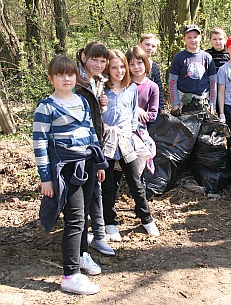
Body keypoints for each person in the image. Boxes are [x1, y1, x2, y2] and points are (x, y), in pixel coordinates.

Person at [34, 55, 107, 295]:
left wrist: (98, 164)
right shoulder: (46, 107)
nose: (66, 79)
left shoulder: (82, 101)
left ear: (76, 77)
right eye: (60, 75)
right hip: (65, 170)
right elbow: (40, 145)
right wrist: (46, 178)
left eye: (70, 74)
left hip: (87, 164)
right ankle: (70, 274)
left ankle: (83, 254)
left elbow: (91, 134)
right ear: (51, 78)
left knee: (84, 214)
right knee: (74, 219)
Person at [101, 50, 160, 242]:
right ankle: (110, 223)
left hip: (127, 141)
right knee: (110, 185)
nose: (119, 71)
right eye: (114, 67)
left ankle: (146, 218)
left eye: (122, 67)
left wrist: (134, 134)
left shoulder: (131, 88)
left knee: (136, 182)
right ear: (108, 70)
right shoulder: (102, 91)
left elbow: (134, 115)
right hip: (109, 142)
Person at [75, 42, 114, 256]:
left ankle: (98, 236)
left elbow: (95, 115)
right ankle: (81, 247)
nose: (98, 64)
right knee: (82, 198)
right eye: (94, 60)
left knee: (96, 191)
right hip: (78, 147)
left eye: (102, 61)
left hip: (95, 144)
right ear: (83, 56)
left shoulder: (97, 82)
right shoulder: (75, 82)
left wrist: (102, 105)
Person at [168, 24, 217, 116]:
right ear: (184, 39)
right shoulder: (179, 58)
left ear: (200, 38)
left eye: (195, 37)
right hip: (184, 101)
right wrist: (175, 104)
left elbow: (213, 82)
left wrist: (212, 103)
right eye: (189, 37)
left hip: (203, 101)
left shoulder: (207, 57)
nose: (193, 40)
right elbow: (172, 81)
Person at [138, 33, 165, 113]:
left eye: (153, 46)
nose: (149, 48)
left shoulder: (154, 66)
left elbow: (159, 87)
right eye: (147, 44)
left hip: (148, 107)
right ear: (139, 44)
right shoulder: (130, 62)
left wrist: (161, 107)